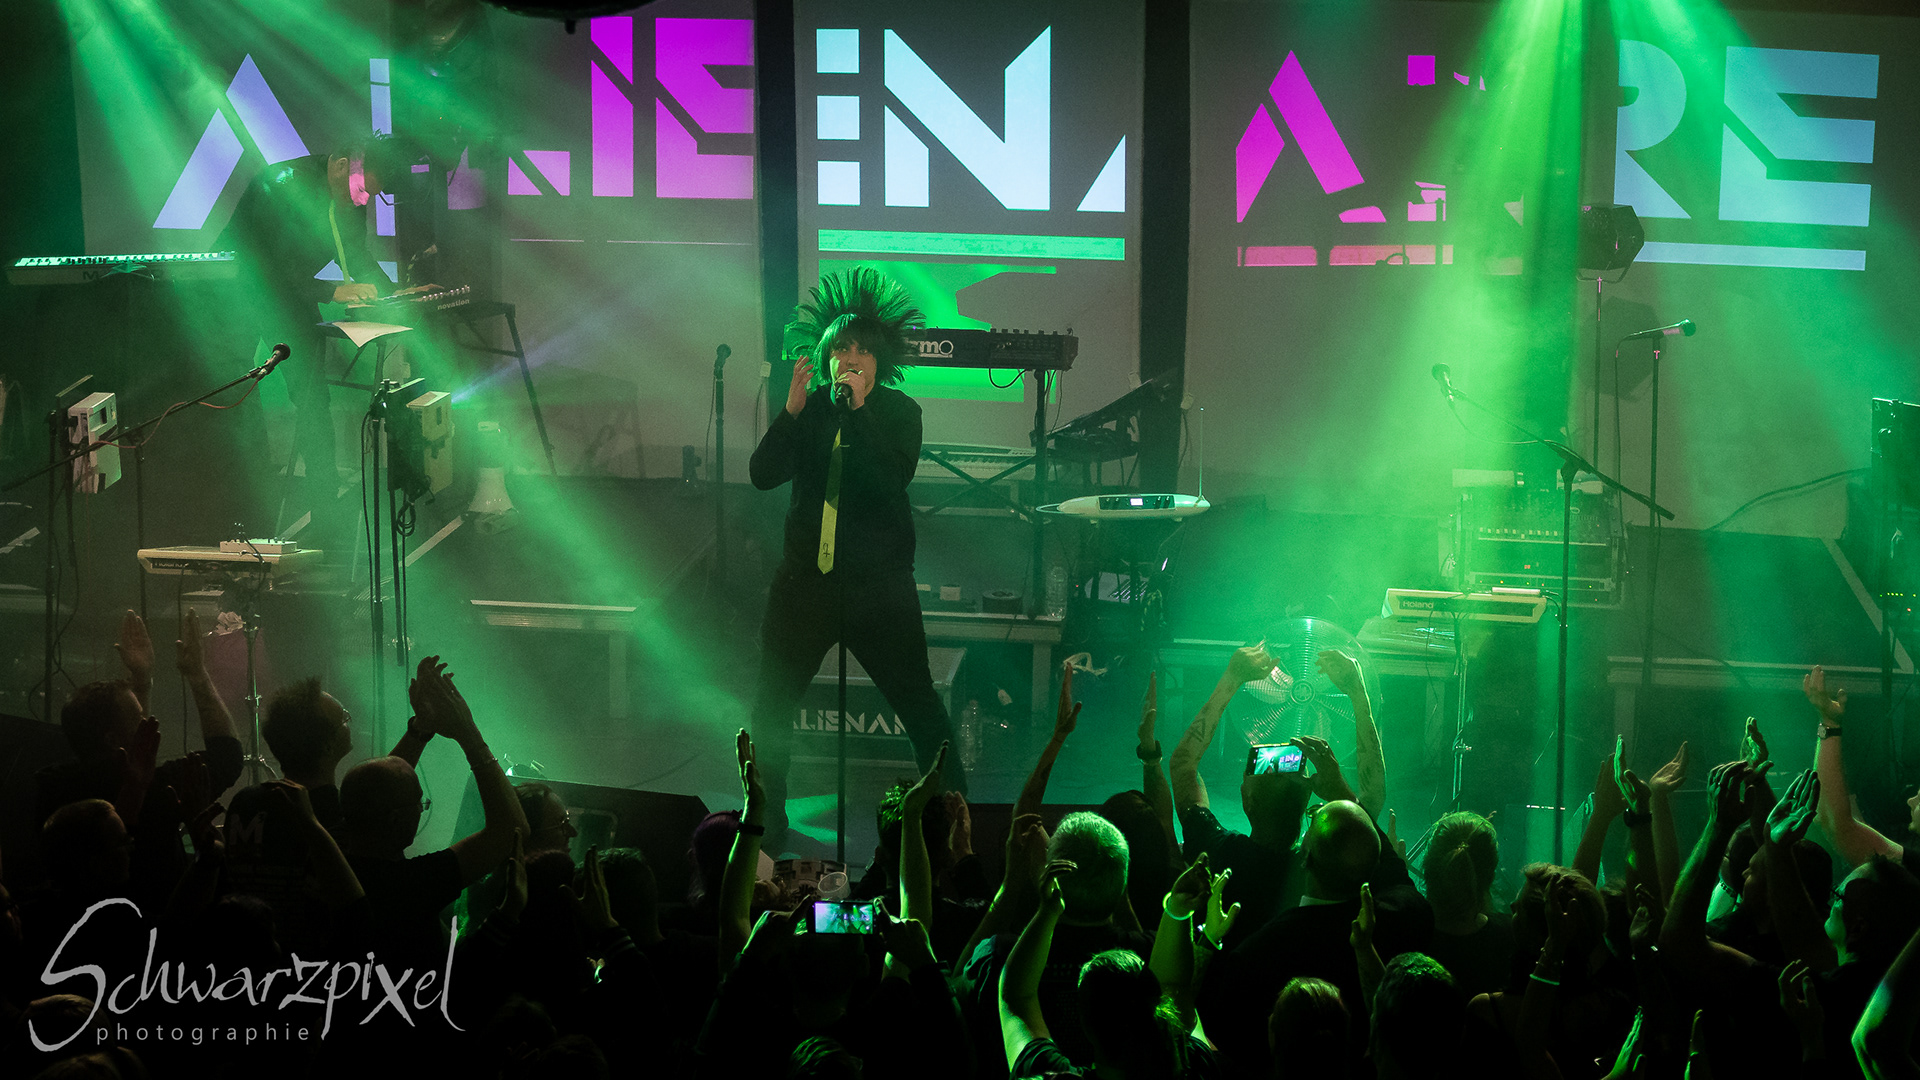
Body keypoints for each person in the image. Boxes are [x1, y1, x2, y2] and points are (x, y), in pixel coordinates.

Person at [746, 267, 963, 839]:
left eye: (863, 350)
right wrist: (790, 413)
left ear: (879, 360)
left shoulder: (900, 413)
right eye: (842, 348)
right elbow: (763, 474)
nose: (852, 358)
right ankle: (765, 827)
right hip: (805, 586)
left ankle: (955, 824)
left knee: (919, 705)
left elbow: (889, 481)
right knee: (771, 707)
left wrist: (860, 411)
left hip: (878, 590)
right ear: (825, 355)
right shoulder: (811, 409)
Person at [218, 138, 408, 544]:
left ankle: (325, 508)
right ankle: (237, 501)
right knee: (231, 389)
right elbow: (267, 266)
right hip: (237, 288)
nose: (363, 201)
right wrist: (332, 291)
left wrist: (396, 294)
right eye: (362, 190)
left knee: (311, 398)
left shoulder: (349, 196)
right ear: (340, 166)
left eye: (369, 196)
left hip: (289, 292)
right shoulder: (284, 185)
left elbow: (355, 254)